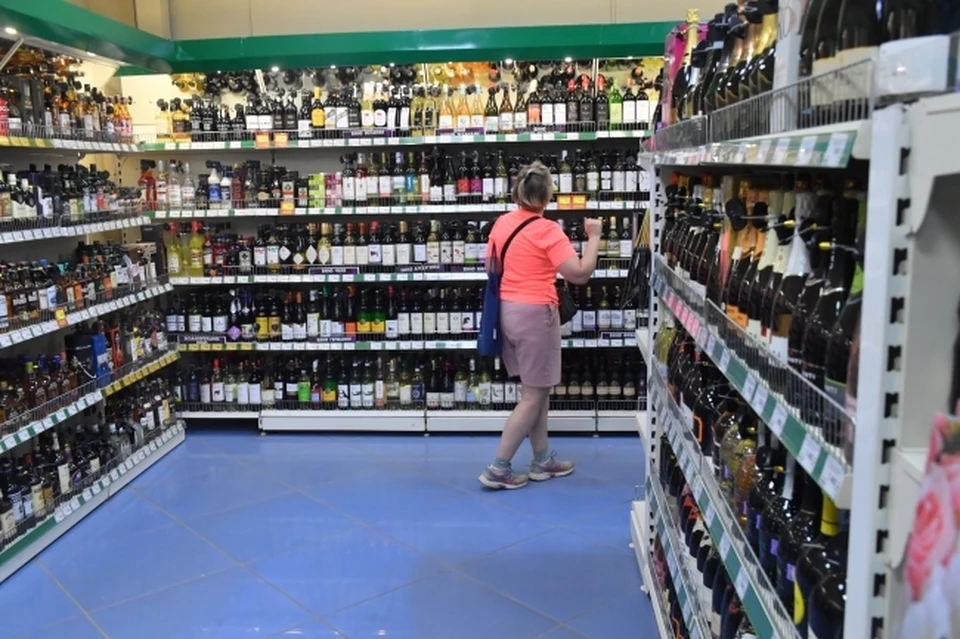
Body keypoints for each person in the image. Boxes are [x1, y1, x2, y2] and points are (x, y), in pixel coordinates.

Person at [479, 161, 602, 490]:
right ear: (547, 196)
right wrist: (594, 237)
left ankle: (542, 459)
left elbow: (492, 266)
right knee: (533, 395)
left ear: (517, 192)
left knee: (537, 389)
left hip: (507, 311)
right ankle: (499, 468)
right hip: (536, 315)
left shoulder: (502, 223)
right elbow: (579, 273)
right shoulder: (547, 230)